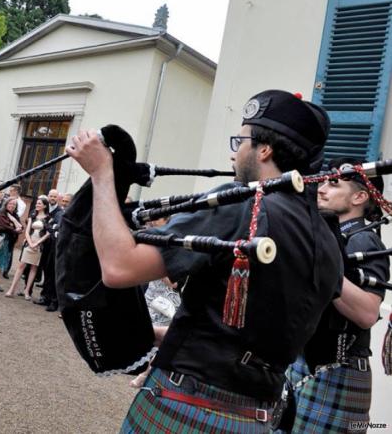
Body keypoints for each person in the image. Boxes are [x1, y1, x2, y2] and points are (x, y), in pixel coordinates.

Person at [68, 90, 342, 433]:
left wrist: (101, 174)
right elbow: (258, 332)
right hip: (256, 418)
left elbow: (119, 267)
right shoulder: (328, 241)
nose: (234, 151)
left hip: (187, 407)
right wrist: (164, 334)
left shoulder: (244, 204)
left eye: (240, 140)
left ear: (264, 148)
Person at [279, 157, 389, 433]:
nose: (322, 188)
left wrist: (323, 267)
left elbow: (367, 313)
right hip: (307, 364)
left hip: (338, 369)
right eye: (323, 181)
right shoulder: (329, 235)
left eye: (334, 183)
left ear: (360, 196)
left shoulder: (364, 239)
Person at [6, 195, 50, 300]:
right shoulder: (32, 215)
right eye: (37, 203)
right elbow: (27, 230)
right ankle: (12, 289)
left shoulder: (48, 218)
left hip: (39, 246)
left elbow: (48, 233)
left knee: (34, 268)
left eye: (39, 203)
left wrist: (37, 243)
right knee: (21, 266)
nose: (37, 205)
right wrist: (30, 243)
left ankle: (27, 291)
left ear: (44, 206)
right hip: (29, 244)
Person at [35, 189, 62, 309]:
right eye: (50, 196)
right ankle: (44, 296)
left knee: (52, 271)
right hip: (44, 244)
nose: (52, 198)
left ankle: (51, 298)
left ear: (58, 198)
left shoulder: (59, 212)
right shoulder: (45, 210)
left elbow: (54, 227)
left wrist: (48, 226)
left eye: (54, 196)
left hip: (54, 245)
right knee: (45, 268)